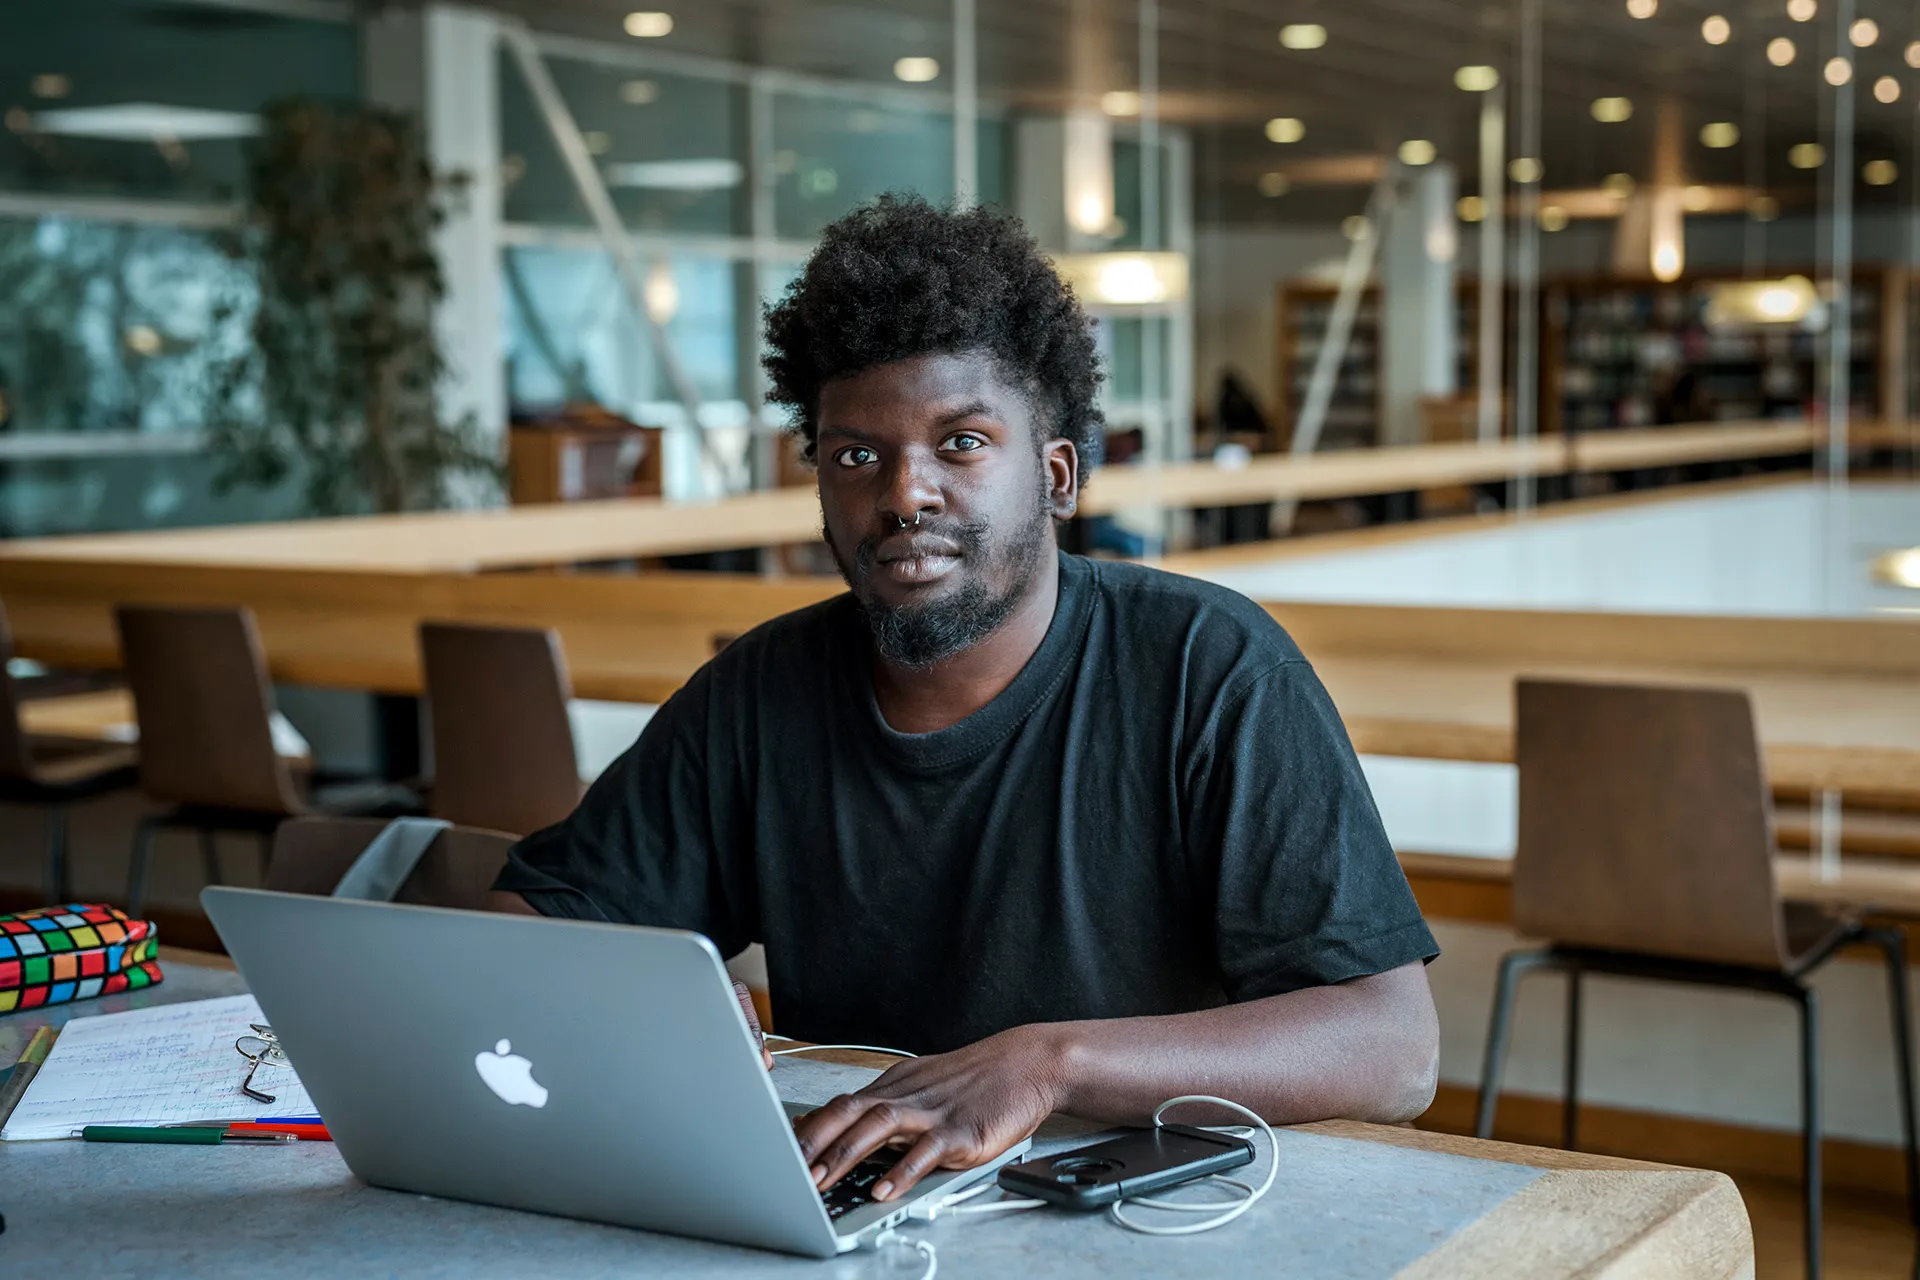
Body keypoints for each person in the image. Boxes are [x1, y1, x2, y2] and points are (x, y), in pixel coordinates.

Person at [489, 194, 1439, 1206]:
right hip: (869, 1205)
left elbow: (1393, 1043)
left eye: (961, 442)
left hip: (1146, 1212)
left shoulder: (1215, 670)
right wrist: (634, 983)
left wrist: (1046, 1061)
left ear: (1059, 472)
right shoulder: (757, 695)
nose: (905, 493)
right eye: (858, 454)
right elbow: (529, 913)